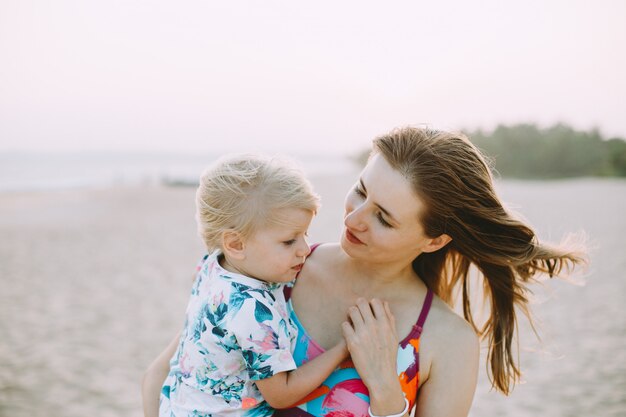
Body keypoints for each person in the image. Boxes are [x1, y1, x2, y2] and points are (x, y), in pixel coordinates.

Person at [143, 127, 586, 417]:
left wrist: (387, 394)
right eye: (360, 191)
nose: (353, 220)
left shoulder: (446, 341)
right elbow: (165, 373)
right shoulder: (274, 269)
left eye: (384, 219)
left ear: (434, 240)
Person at [156, 154, 349, 417]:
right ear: (236, 244)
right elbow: (281, 394)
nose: (304, 249)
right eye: (289, 241)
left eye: (305, 235)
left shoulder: (211, 264)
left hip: (178, 406)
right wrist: (342, 349)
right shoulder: (252, 309)